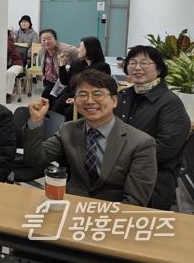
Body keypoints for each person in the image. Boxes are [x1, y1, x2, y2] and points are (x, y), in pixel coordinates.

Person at [24, 70, 157, 206]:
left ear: (114, 101)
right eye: (82, 94)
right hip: (70, 207)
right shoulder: (68, 129)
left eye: (98, 94)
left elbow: (134, 201)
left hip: (112, 213)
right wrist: (36, 121)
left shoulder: (141, 143)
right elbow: (35, 159)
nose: (89, 101)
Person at [115, 45, 191, 210]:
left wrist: (119, 159)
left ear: (159, 69)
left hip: (153, 179)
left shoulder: (170, 103)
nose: (137, 67)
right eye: (132, 62)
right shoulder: (123, 96)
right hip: (117, 172)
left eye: (145, 63)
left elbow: (166, 148)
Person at [50, 36, 110, 117]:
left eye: (80, 47)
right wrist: (62, 64)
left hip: (89, 97)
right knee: (56, 105)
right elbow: (64, 82)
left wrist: (78, 99)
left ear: (89, 49)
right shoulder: (77, 64)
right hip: (72, 93)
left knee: (68, 111)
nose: (78, 50)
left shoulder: (102, 67)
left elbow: (101, 89)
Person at [37, 29, 78, 100]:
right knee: (44, 99)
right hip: (49, 82)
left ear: (56, 40)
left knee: (54, 101)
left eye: (49, 39)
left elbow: (80, 55)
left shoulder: (66, 49)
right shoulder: (42, 51)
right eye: (43, 40)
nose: (46, 42)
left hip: (63, 83)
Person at [6, 29, 24, 104]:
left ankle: (7, 94)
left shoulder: (8, 42)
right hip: (5, 64)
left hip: (16, 63)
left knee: (9, 73)